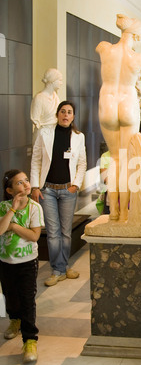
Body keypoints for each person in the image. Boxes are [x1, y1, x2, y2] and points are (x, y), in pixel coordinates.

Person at [96, 14, 141, 222]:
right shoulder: (139, 58)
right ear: (136, 35)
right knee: (126, 160)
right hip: (128, 102)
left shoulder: (104, 48)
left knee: (114, 160)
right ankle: (124, 212)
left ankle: (114, 213)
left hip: (107, 101)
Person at [30, 101, 87, 287]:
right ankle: (58, 270)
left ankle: (62, 266)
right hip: (47, 190)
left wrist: (76, 185)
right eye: (63, 111)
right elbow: (36, 161)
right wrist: (35, 186)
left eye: (69, 112)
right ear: (57, 114)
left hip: (68, 190)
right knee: (53, 233)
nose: (66, 115)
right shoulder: (44, 133)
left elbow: (82, 164)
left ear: (73, 116)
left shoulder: (79, 137)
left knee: (66, 232)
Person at [0, 170, 44, 363]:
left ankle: (30, 340)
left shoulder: (35, 208)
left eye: (26, 180)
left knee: (27, 300)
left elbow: (34, 236)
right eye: (20, 183)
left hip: (27, 263)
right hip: (5, 261)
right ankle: (14, 320)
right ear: (10, 190)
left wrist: (14, 226)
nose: (26, 185)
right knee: (10, 295)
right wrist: (13, 210)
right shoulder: (3, 207)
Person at [30, 68, 63, 144]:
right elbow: (35, 118)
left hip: (54, 133)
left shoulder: (56, 97)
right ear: (52, 81)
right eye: (60, 80)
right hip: (42, 136)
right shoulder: (39, 98)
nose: (61, 83)